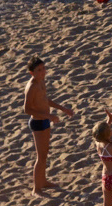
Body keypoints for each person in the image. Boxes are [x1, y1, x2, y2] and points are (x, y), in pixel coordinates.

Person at [23, 58, 74, 194]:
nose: (42, 72)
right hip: (38, 122)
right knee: (40, 157)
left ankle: (43, 181)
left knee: (45, 154)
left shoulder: (41, 81)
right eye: (39, 70)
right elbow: (27, 109)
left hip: (45, 120)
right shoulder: (32, 86)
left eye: (43, 69)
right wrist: (49, 116)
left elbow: (45, 100)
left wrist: (63, 109)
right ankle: (36, 189)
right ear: (31, 73)